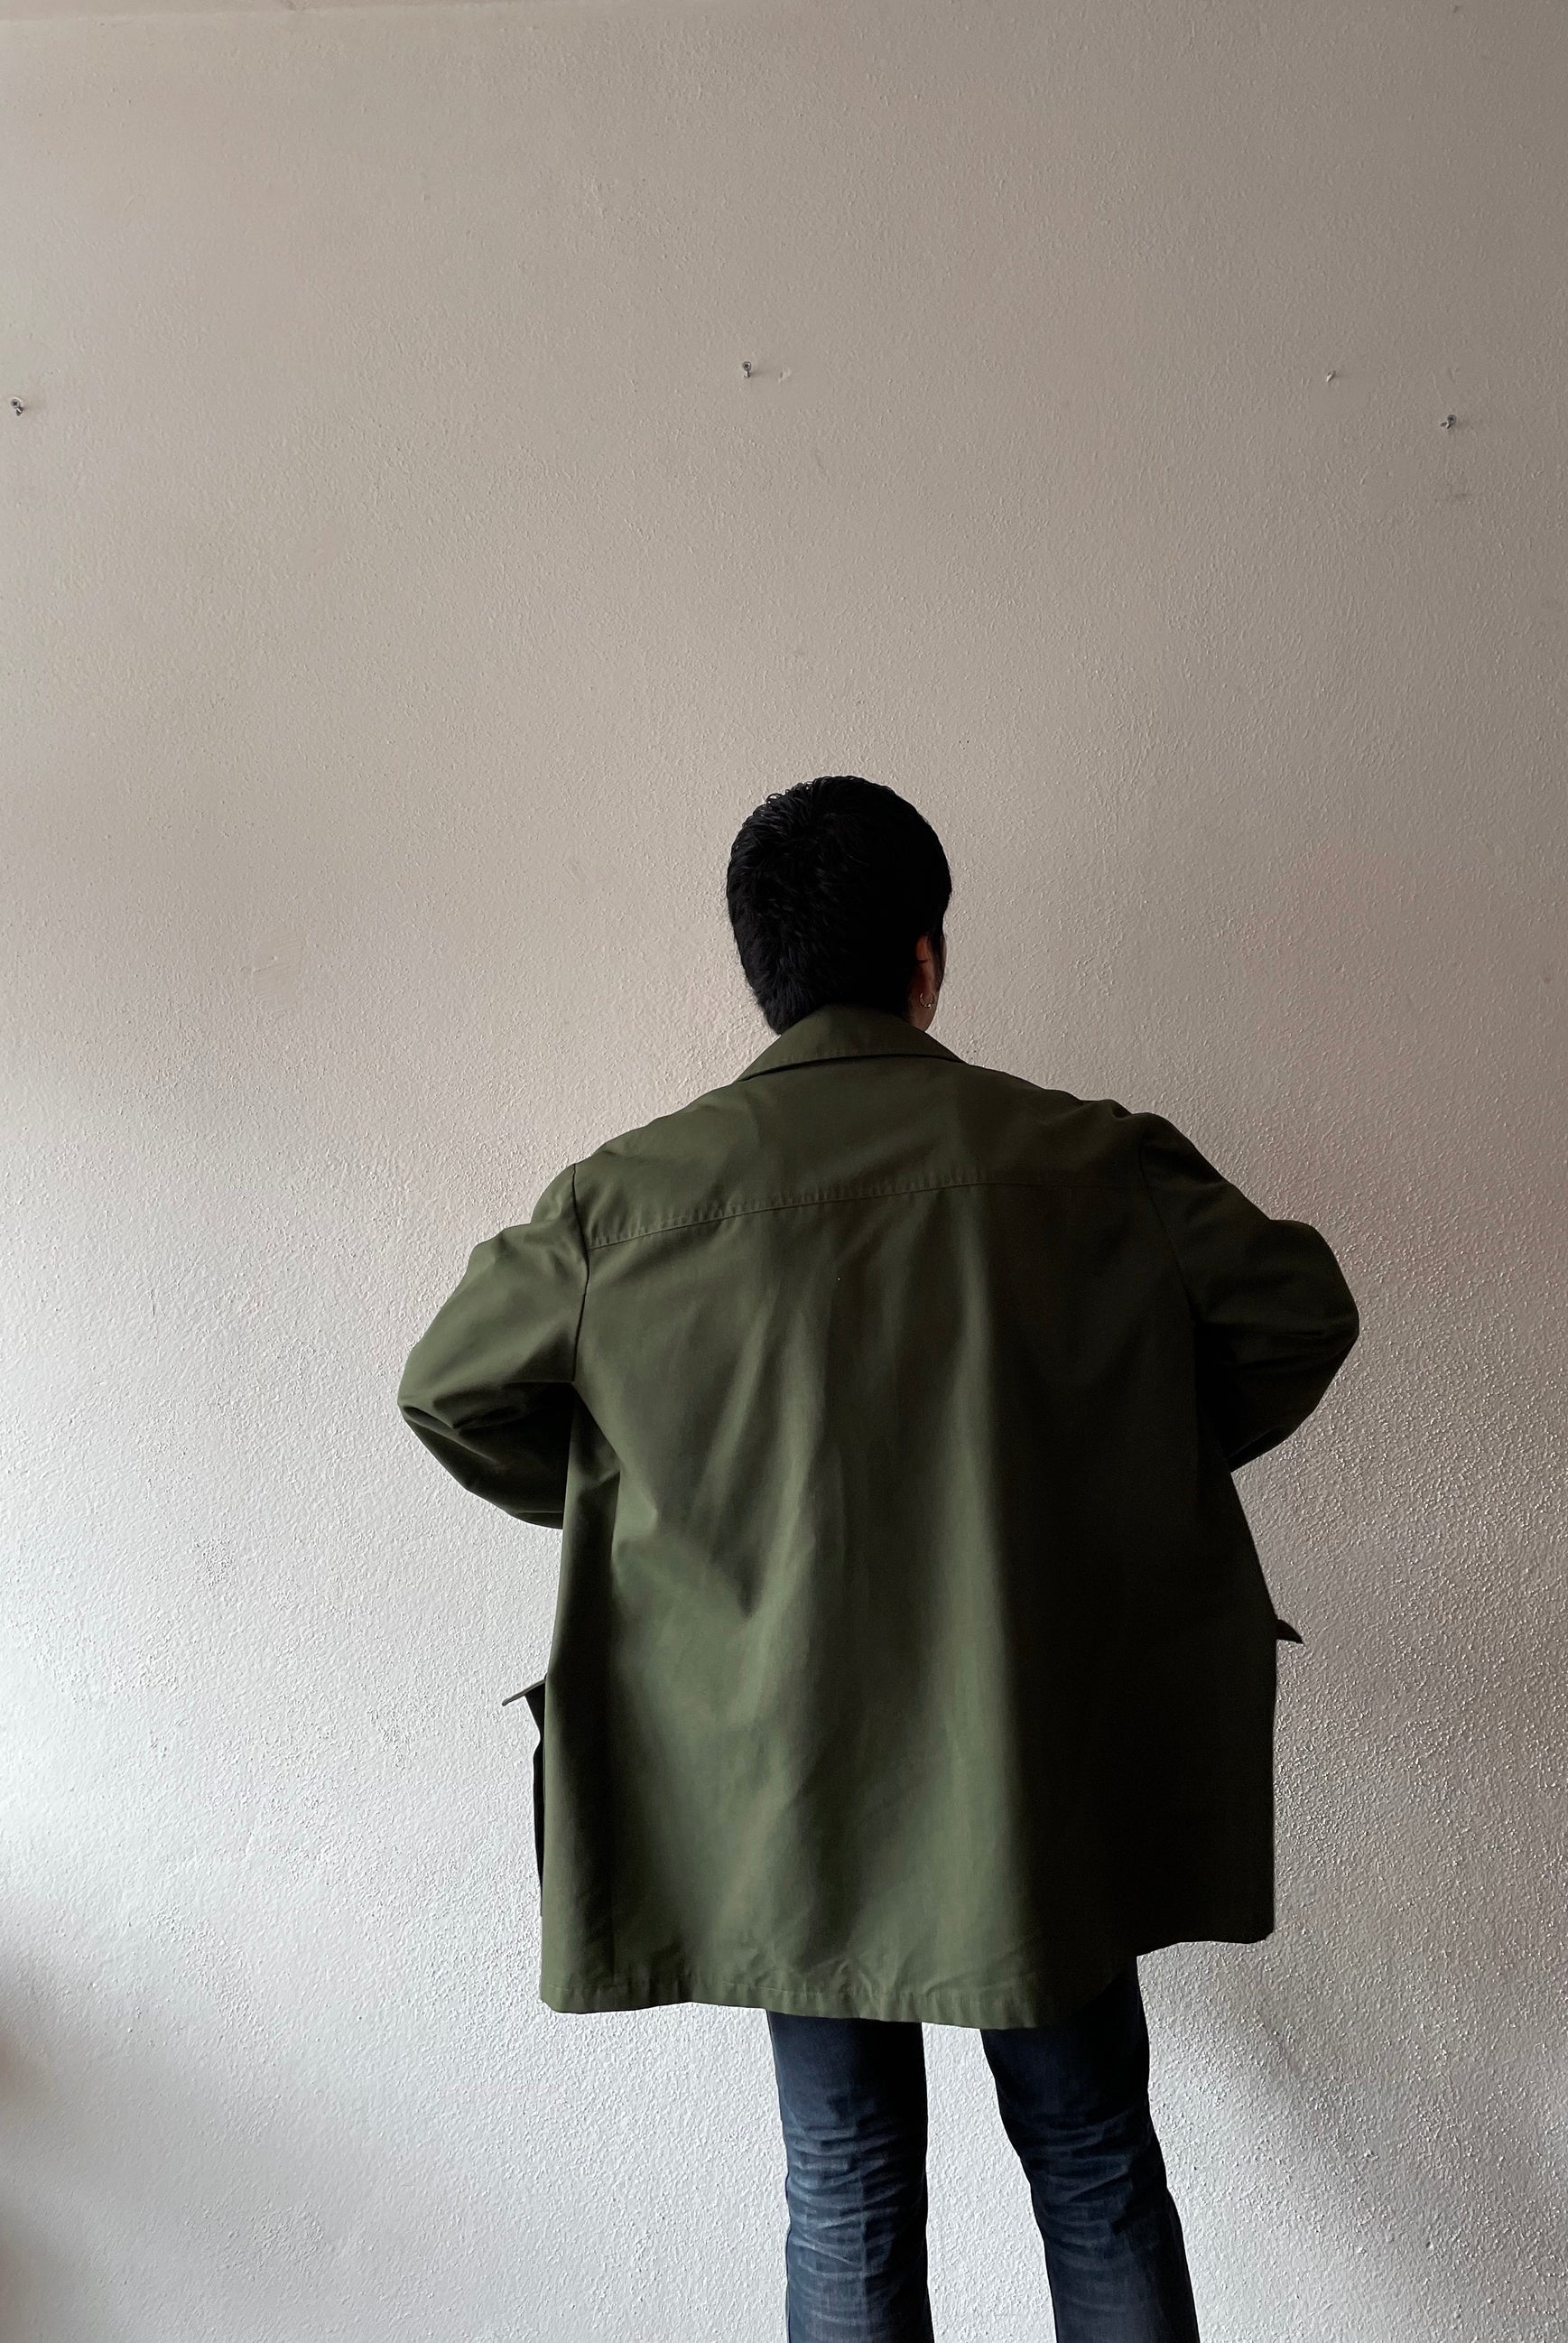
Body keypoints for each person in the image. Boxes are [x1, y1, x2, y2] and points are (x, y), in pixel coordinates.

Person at [397, 775, 1360, 2342]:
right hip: (1026, 1758)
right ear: (924, 957)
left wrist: (671, 1519)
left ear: (761, 973)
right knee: (1093, 2160)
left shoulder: (623, 1202)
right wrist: (1110, 1479)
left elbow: (452, 1390)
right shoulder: (1090, 1162)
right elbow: (1295, 1313)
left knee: (842, 2181)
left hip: (784, 1773)